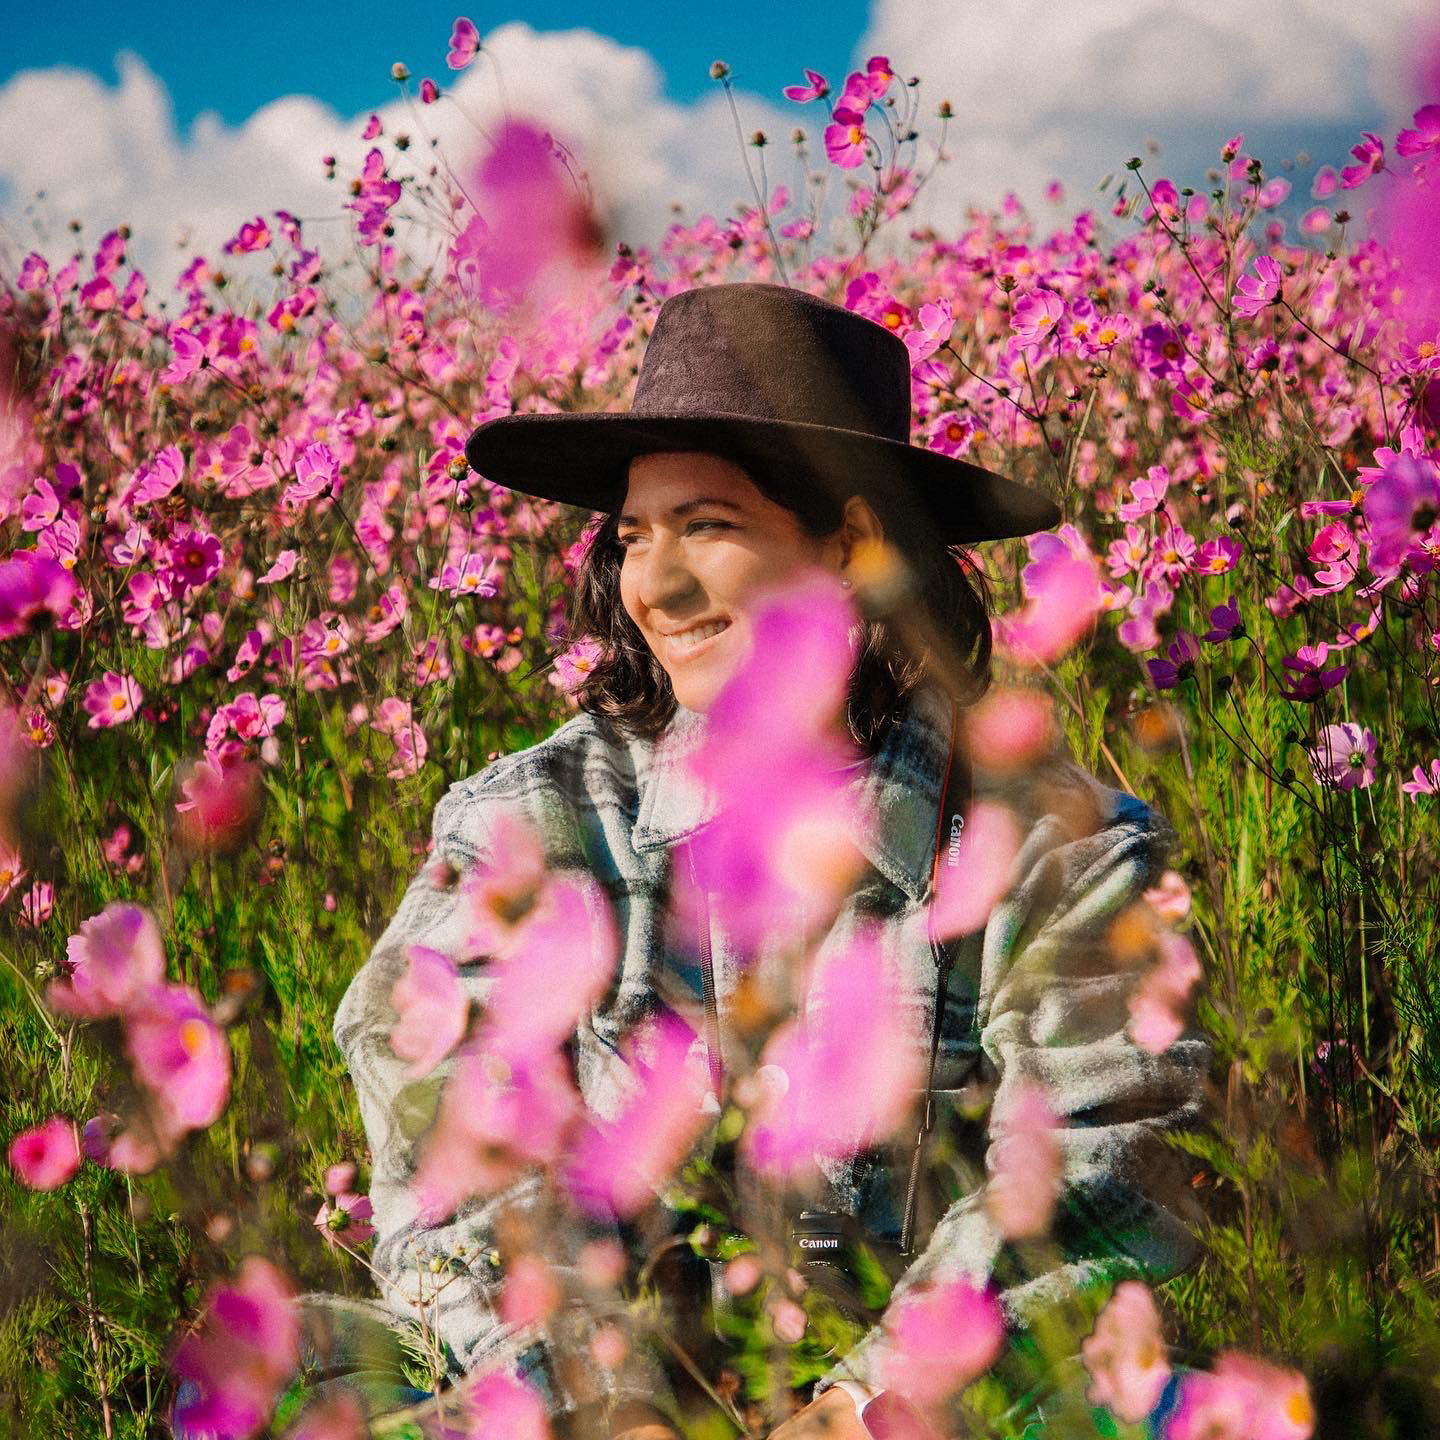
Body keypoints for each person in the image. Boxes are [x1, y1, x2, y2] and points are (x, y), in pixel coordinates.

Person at [329, 283, 1209, 1439]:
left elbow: (1103, 1165)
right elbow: (454, 1145)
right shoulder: (531, 819)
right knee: (315, 1359)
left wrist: (861, 1404)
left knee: (1144, 1402)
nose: (652, 586)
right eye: (635, 537)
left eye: (707, 526)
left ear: (850, 548)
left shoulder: (1059, 847)